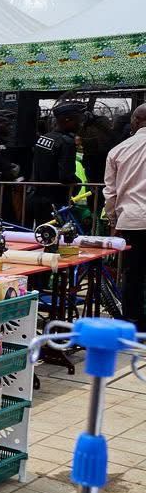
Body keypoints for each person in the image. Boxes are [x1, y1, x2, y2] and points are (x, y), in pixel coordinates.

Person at [105, 103, 146, 329]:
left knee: (134, 274)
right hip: (134, 219)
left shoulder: (118, 150)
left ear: (135, 121)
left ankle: (134, 322)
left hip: (132, 220)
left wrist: (113, 221)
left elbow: (110, 193)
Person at [28, 100, 82, 224]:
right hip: (56, 200)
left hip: (37, 196)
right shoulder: (66, 142)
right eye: (78, 120)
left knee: (42, 232)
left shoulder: (44, 138)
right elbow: (66, 175)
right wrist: (77, 183)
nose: (80, 124)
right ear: (68, 120)